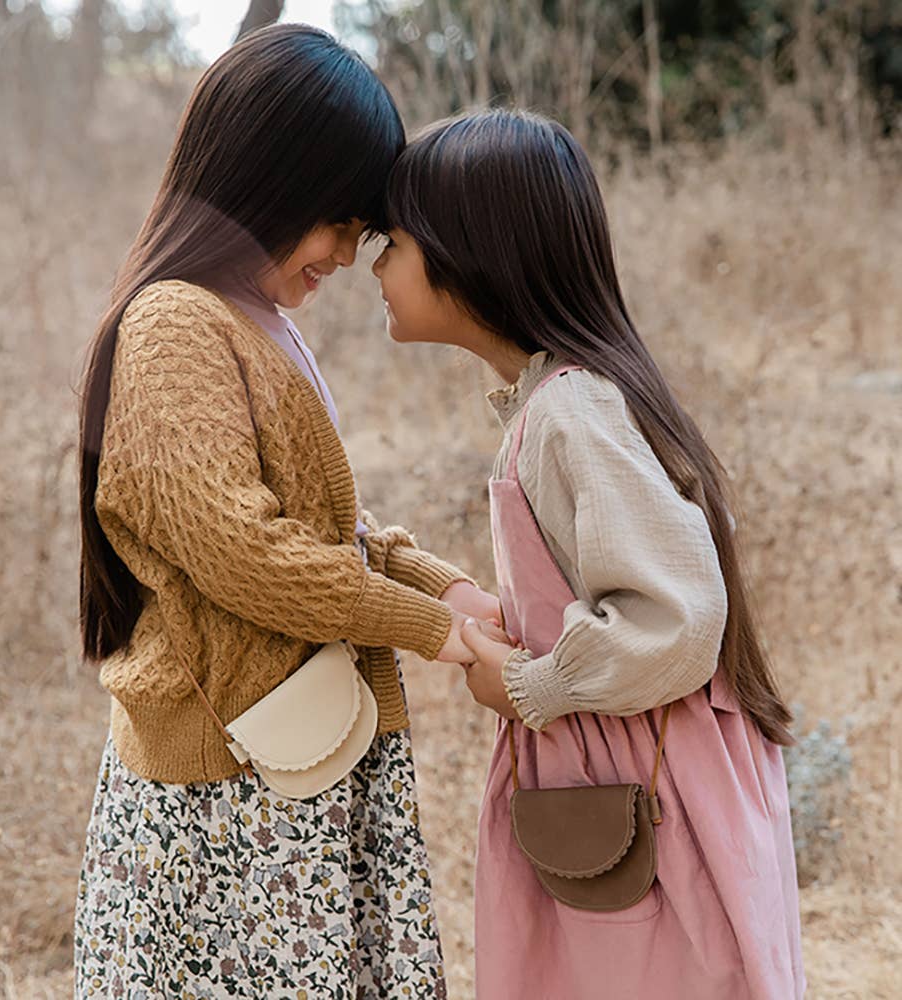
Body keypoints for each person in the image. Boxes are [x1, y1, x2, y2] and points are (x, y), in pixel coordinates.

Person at [74, 26, 498, 998]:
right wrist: (435, 629)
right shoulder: (176, 322)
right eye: (340, 222)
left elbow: (315, 527)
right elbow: (248, 555)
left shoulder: (252, 318)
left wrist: (447, 583)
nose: (351, 254)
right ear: (268, 180)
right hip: (227, 796)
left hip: (279, 772)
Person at [373, 109, 804, 1000]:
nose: (376, 264)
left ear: (470, 252)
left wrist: (533, 684)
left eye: (395, 241)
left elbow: (673, 614)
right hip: (611, 781)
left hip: (640, 794)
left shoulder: (568, 412)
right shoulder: (558, 402)